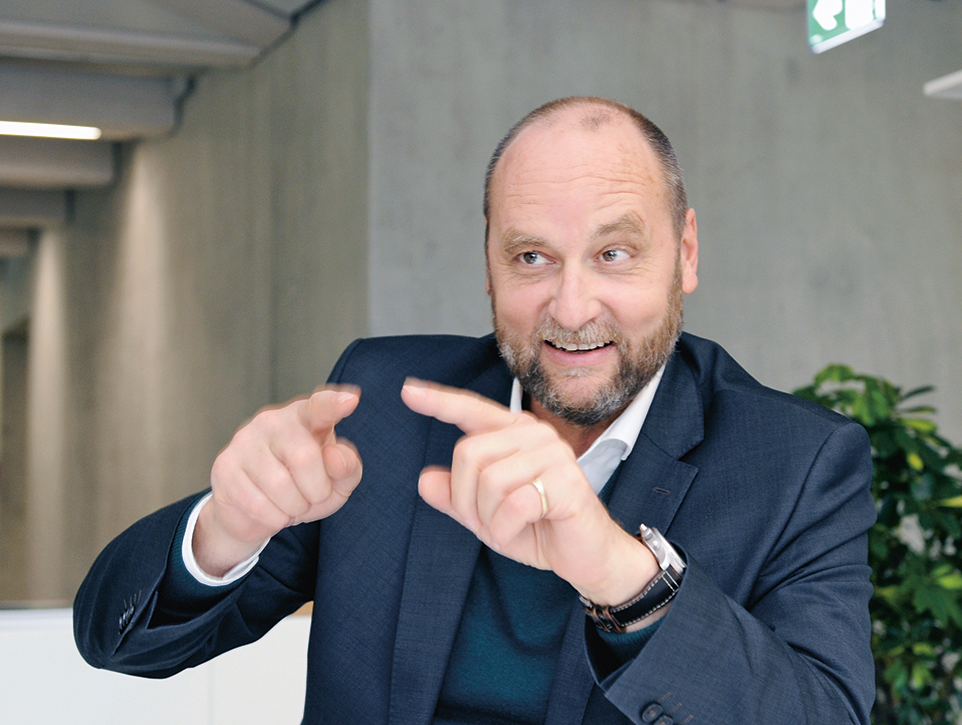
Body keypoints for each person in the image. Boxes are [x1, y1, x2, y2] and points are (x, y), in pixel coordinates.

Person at [74, 96, 876, 724]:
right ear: (488, 265)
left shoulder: (798, 463)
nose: (572, 307)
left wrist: (623, 577)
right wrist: (223, 531)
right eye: (531, 256)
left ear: (686, 253)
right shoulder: (381, 405)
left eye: (614, 254)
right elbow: (116, 641)